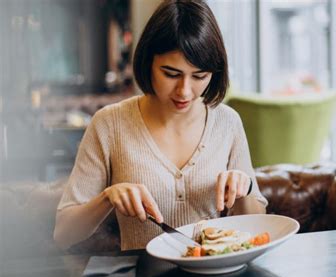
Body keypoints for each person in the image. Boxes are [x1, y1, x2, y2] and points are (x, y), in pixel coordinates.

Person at [54, 0, 267, 251]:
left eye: (199, 76)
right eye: (171, 74)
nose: (185, 91)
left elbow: (260, 224)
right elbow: (64, 233)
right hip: (144, 275)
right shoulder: (109, 124)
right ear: (148, 63)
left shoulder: (227, 122)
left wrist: (246, 187)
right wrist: (107, 197)